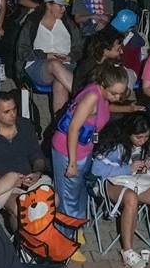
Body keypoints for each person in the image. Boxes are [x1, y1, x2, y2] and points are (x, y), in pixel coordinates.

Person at [51, 62, 130, 243]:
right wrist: (71, 163)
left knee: (80, 193)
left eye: (120, 93)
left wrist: (128, 108)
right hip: (68, 151)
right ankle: (65, 239)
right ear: (103, 85)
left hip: (85, 149)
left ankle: (75, 229)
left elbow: (104, 110)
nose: (117, 97)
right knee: (67, 197)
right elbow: (72, 129)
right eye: (114, 93)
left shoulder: (101, 95)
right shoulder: (91, 97)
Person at [90, 114, 150, 268]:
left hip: (132, 181)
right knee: (131, 199)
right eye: (139, 137)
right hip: (108, 182)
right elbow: (97, 170)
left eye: (147, 137)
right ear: (128, 133)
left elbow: (143, 158)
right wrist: (128, 169)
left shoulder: (143, 142)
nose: (143, 141)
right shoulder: (113, 145)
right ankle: (127, 252)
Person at [0, 93, 50, 197]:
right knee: (20, 207)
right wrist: (6, 181)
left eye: (14, 109)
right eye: (7, 112)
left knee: (54, 199)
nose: (13, 114)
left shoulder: (25, 125)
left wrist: (37, 173)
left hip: (29, 180)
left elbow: (37, 155)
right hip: (3, 185)